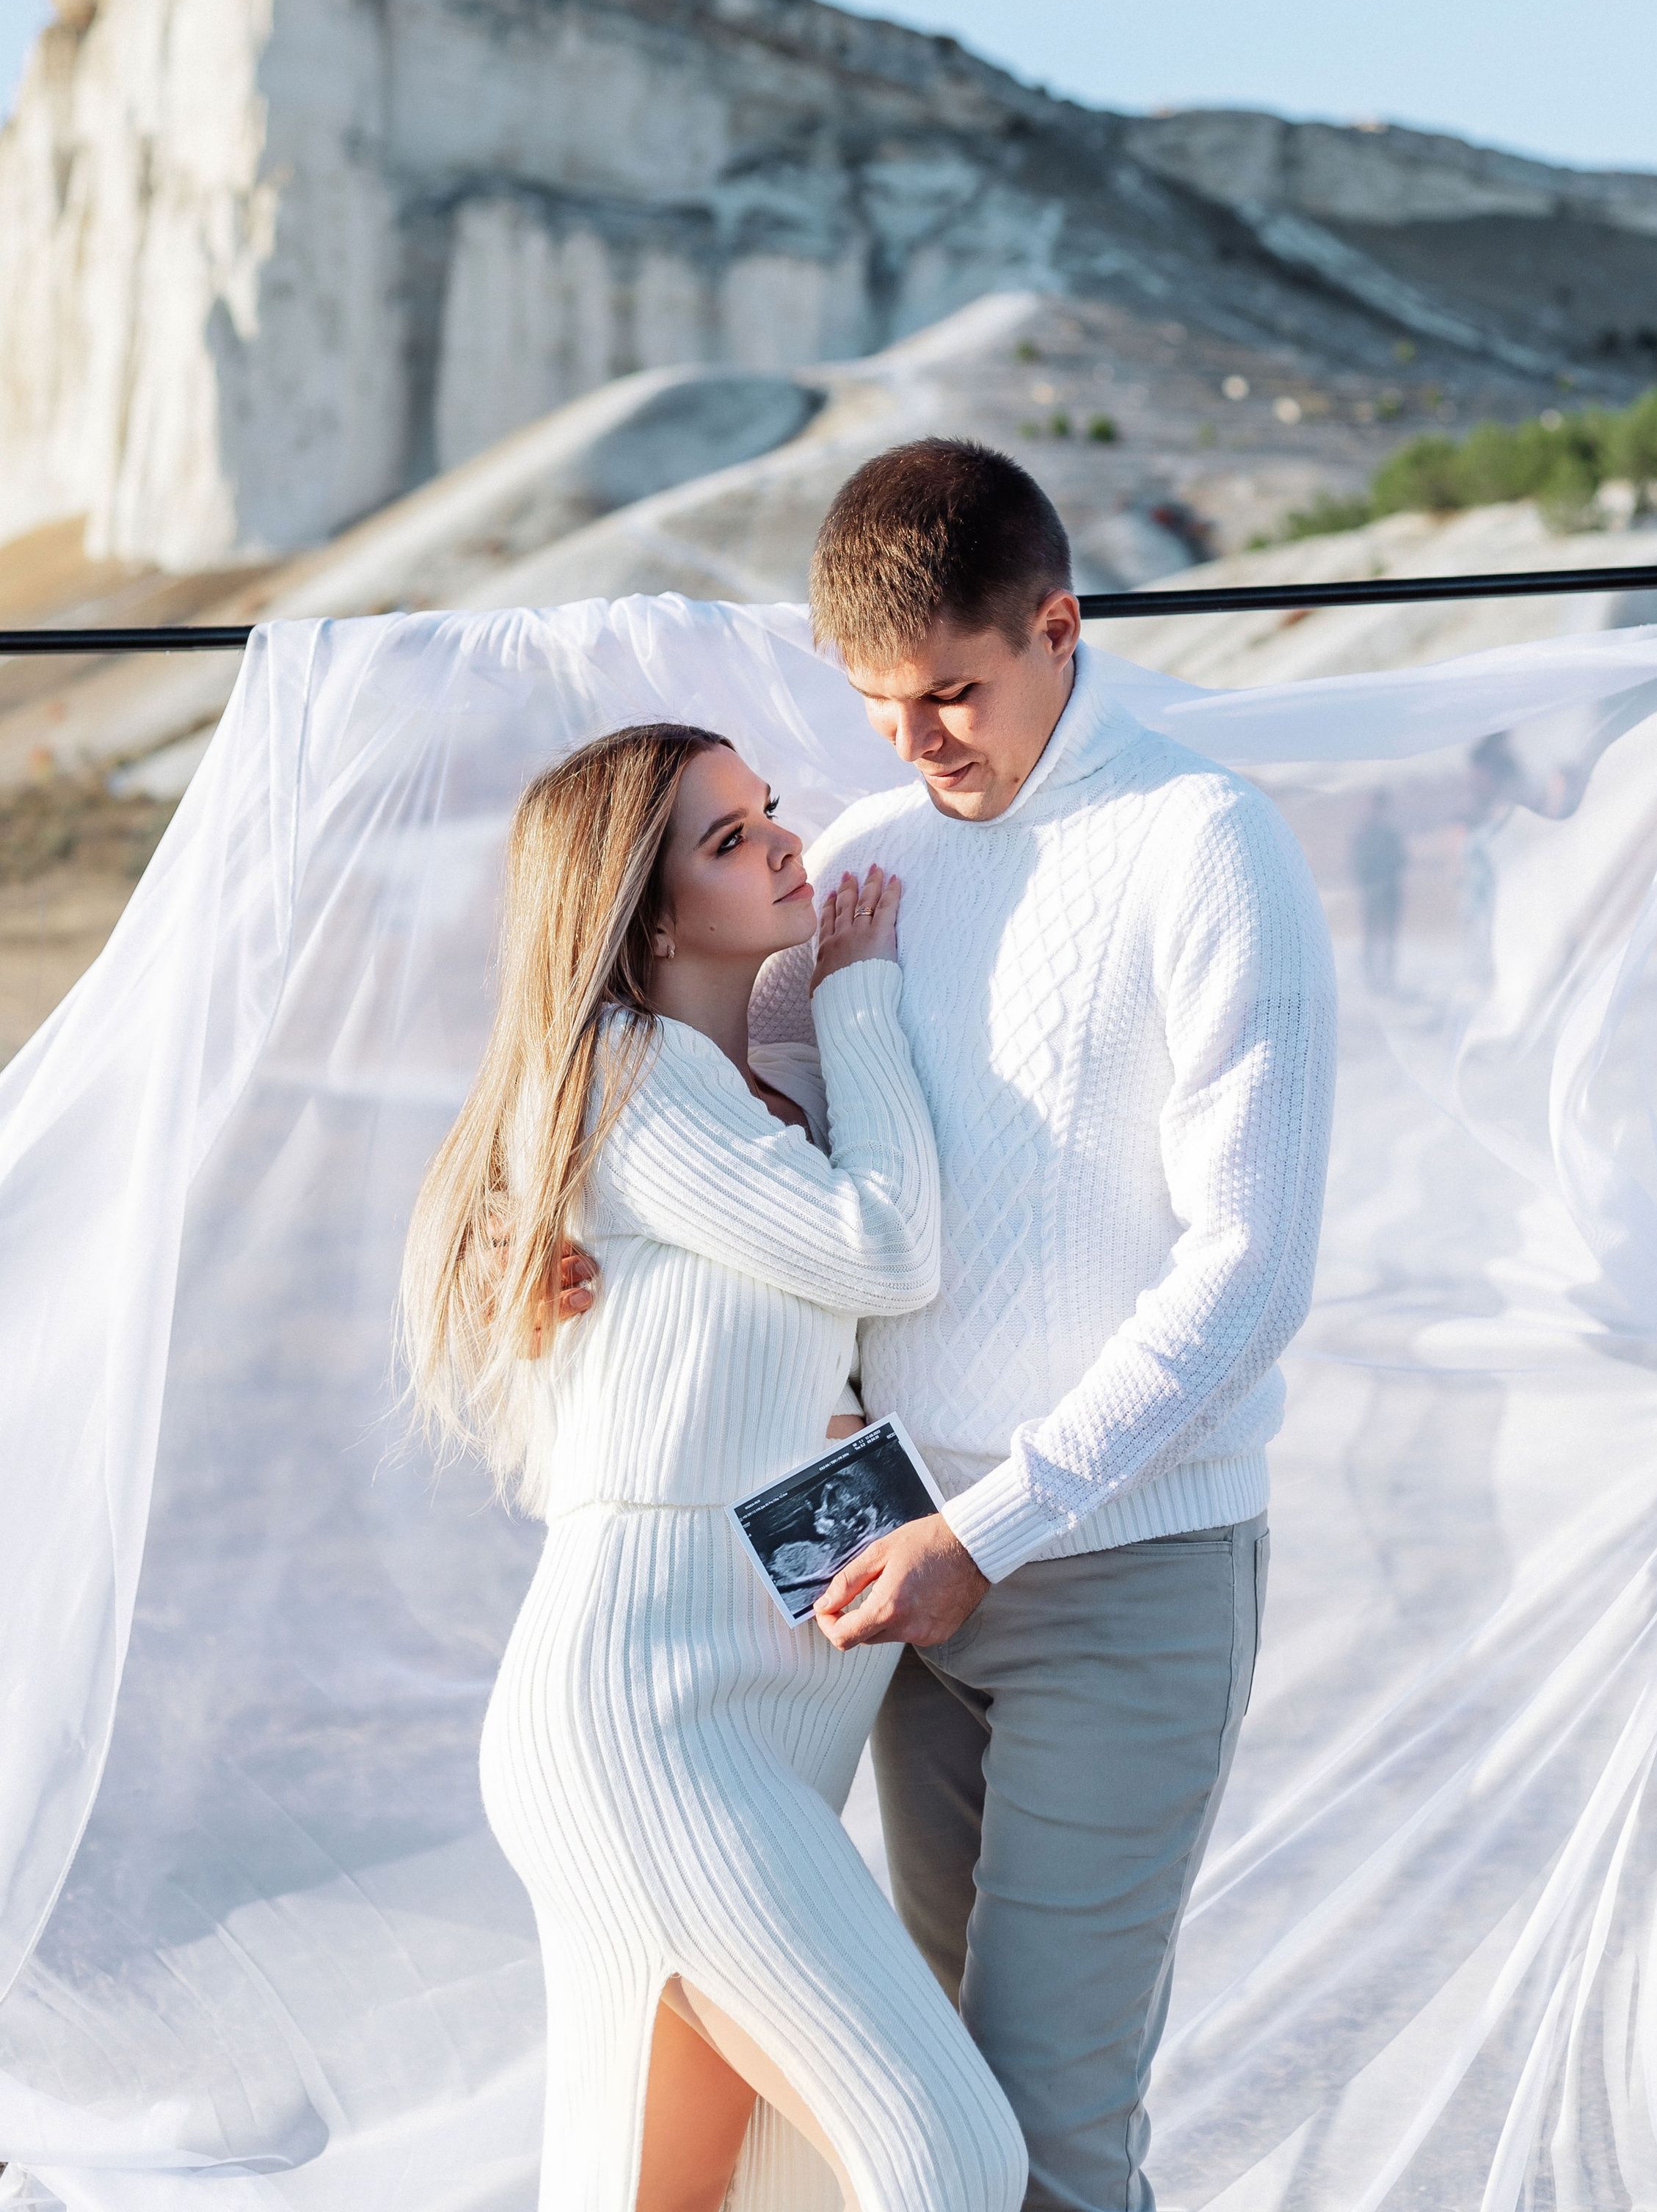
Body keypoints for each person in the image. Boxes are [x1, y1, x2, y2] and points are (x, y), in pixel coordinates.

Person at [750, 439, 1339, 2212]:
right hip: (894, 1563)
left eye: (952, 689)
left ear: (1058, 625)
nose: (917, 739)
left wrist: (984, 1531)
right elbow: (780, 1173)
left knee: (1052, 2125)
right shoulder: (857, 863)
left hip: (1121, 1565)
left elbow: (1248, 1273)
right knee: (936, 2113)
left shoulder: (1203, 841)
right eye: (874, 704)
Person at [398, 722, 1027, 2212]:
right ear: (648, 907)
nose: (785, 845)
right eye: (729, 838)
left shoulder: (739, 1110)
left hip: (730, 1727)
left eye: (771, 812)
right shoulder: (625, 1068)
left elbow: (758, 1396)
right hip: (652, 1726)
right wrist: (860, 995)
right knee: (947, 2162)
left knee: (697, 2197)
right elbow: (885, 1243)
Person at [1350, 786, 1407, 992]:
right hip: (1372, 894)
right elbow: (1355, 864)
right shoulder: (1362, 834)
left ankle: (1388, 977)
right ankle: (1371, 979)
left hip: (1390, 892)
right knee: (1371, 937)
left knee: (1390, 938)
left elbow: (1402, 859)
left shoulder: (1390, 834)